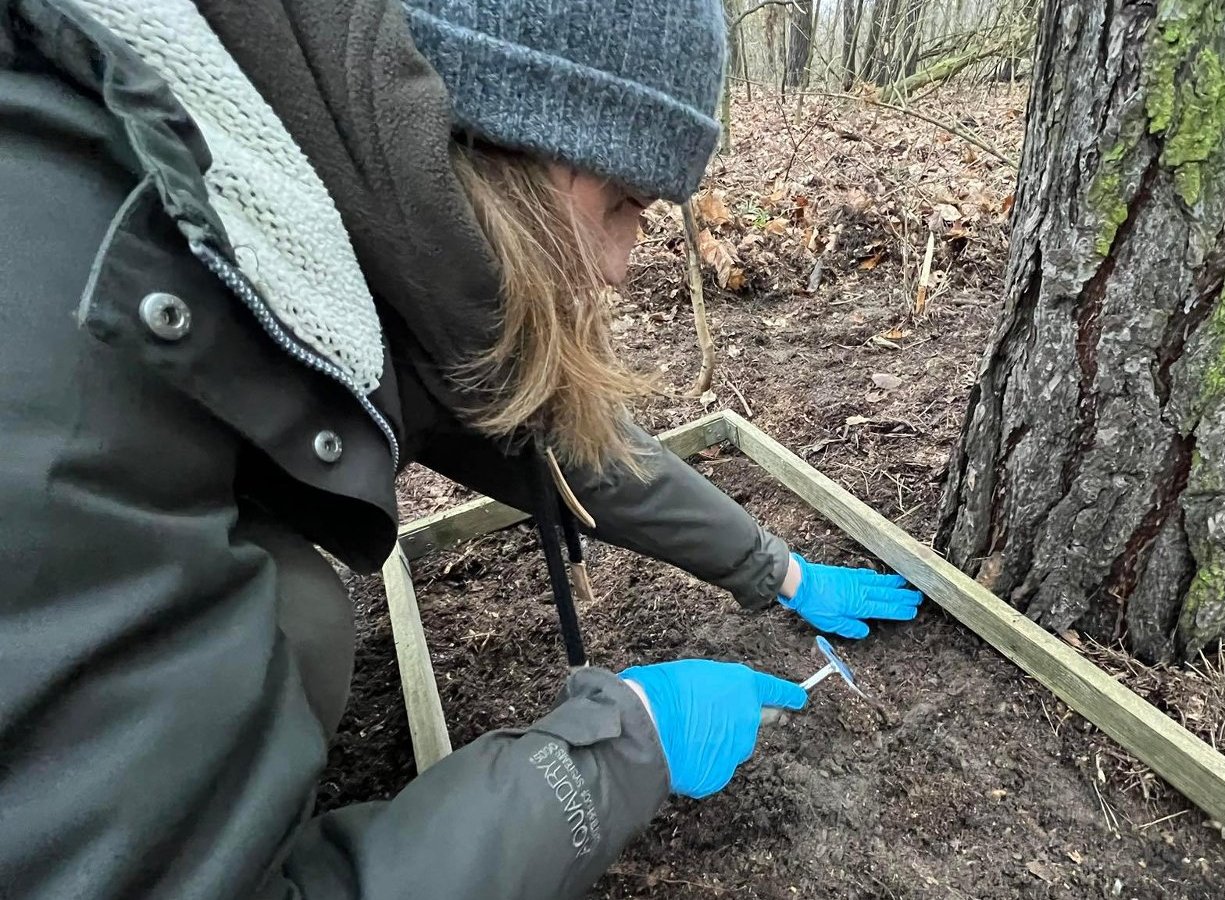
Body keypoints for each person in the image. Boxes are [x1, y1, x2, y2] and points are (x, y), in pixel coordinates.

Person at [0, 0, 924, 896]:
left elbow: (564, 443)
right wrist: (622, 745)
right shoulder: (64, 324)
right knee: (304, 620)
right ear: (502, 129)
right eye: (622, 203)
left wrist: (778, 570)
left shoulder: (356, 212)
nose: (617, 265)